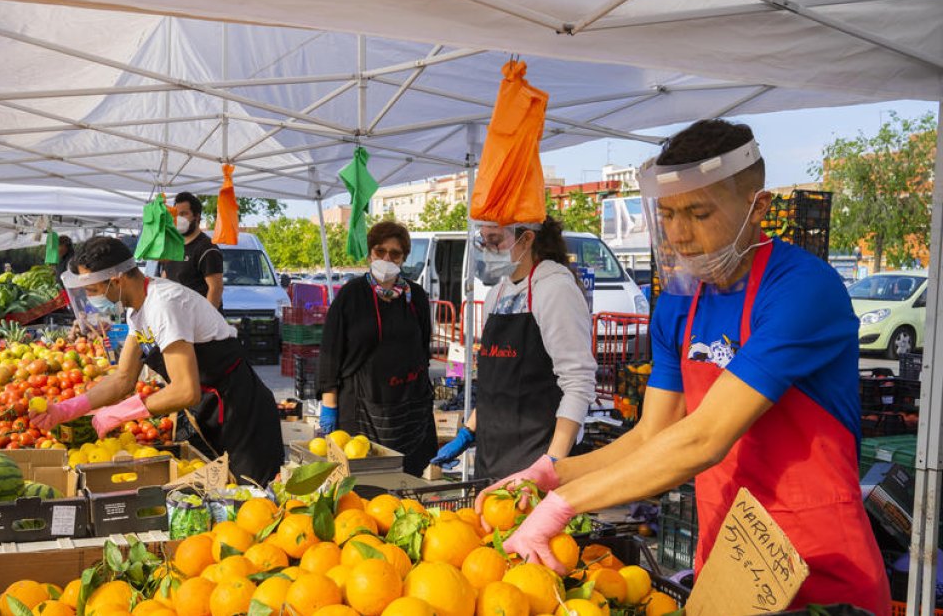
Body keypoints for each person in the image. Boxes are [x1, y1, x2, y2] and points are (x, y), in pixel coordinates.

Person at [482, 120, 890, 614]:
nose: (679, 236)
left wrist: (566, 505)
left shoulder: (802, 290)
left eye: (698, 213)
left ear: (757, 207)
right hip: (728, 560)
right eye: (668, 215)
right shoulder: (679, 306)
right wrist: (553, 474)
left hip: (817, 563)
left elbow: (705, 436)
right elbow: (652, 434)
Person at [30, 237, 283, 484]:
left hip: (243, 417)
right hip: (212, 412)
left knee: (254, 500)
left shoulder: (164, 304)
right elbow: (123, 379)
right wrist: (65, 410)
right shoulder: (137, 310)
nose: (93, 298)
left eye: (93, 290)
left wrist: (121, 412)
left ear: (116, 281)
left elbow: (186, 390)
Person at [431, 217, 597, 480]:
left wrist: (552, 461)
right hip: (490, 458)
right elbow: (495, 384)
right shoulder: (496, 295)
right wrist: (469, 431)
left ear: (527, 238)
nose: (487, 249)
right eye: (483, 241)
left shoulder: (556, 289)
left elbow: (579, 383)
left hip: (536, 457)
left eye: (495, 240)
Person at [317, 221, 437, 476]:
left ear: (404, 257)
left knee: (405, 480)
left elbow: (423, 347)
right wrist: (329, 406)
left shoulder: (415, 296)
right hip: (360, 407)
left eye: (395, 253)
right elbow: (330, 353)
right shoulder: (351, 295)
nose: (386, 258)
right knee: (363, 483)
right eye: (380, 251)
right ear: (371, 253)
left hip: (408, 406)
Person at [163, 192, 225, 309]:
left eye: (184, 214)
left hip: (199, 322)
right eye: (176, 214)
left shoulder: (208, 249)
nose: (178, 219)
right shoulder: (174, 246)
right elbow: (166, 277)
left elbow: (216, 288)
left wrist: (206, 320)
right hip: (178, 320)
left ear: (197, 216)